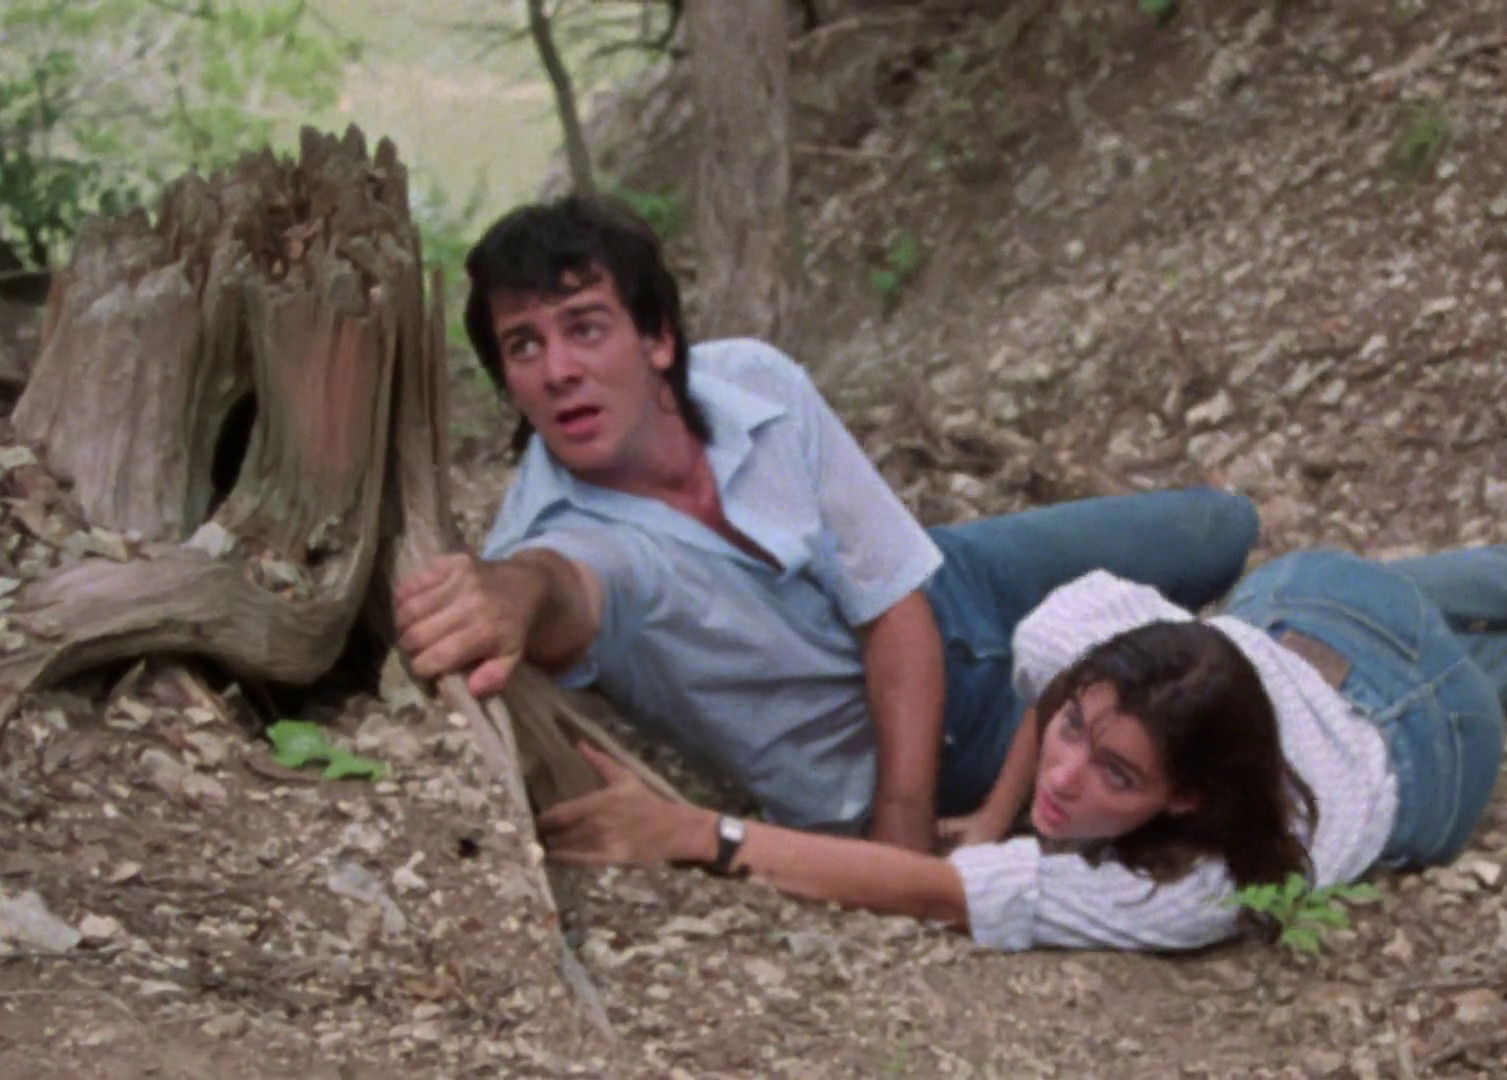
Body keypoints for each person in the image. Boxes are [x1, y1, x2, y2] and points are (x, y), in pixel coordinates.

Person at [391, 194, 1258, 854]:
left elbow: (894, 603)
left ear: (656, 339)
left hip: (953, 581)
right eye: (524, 346)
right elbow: (561, 588)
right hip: (951, 738)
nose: (558, 370)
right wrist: (509, 592)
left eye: (585, 329)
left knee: (1220, 527)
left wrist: (902, 830)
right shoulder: (554, 535)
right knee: (1234, 680)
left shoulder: (752, 381)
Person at [537, 511, 1507, 952]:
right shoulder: (1102, 643)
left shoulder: (1184, 889)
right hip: (1310, 622)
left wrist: (698, 835)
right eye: (1076, 733)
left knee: (1458, 666)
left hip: (1432, 752)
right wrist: (997, 812)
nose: (1067, 776)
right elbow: (1061, 677)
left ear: (1188, 797)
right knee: (1404, 599)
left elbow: (921, 892)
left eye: (1115, 773)